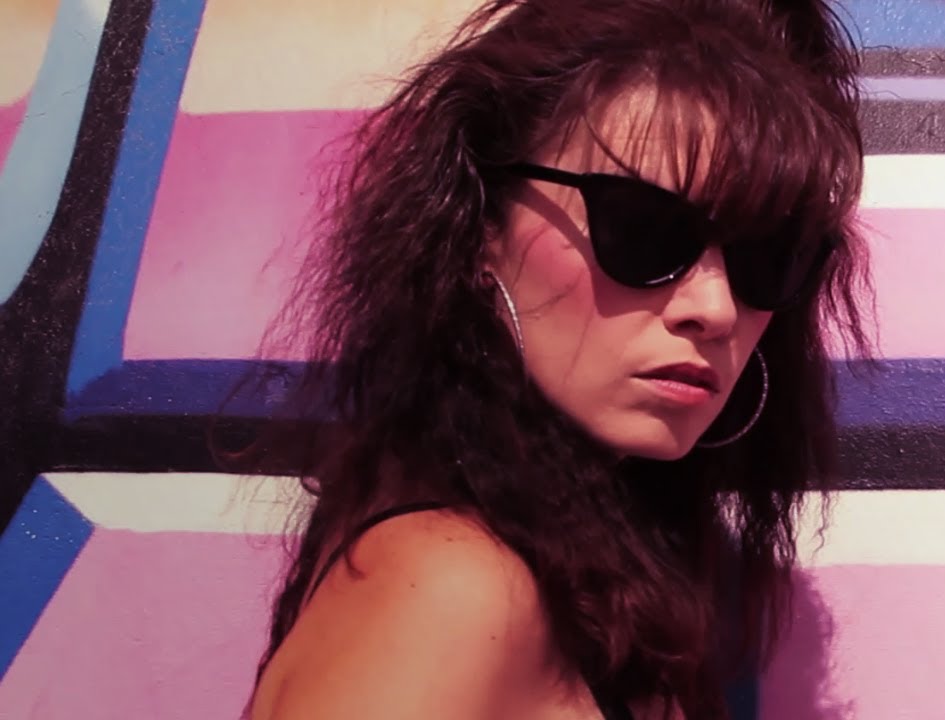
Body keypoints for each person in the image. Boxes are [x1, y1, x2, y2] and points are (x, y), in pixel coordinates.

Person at [246, 0, 870, 717]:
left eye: (769, 257)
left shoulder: (583, 575)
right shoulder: (450, 589)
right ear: (481, 230)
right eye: (644, 230)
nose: (717, 307)